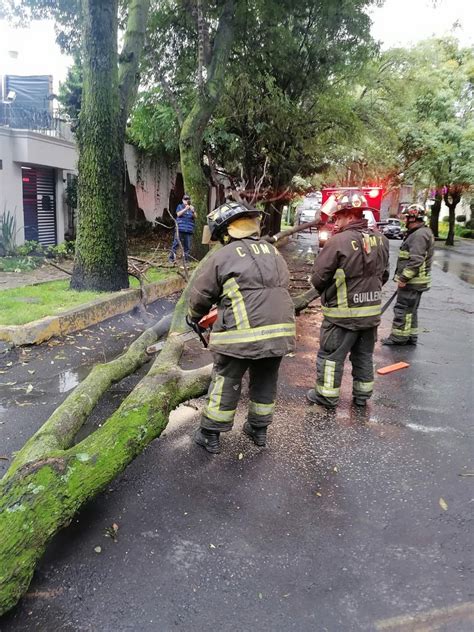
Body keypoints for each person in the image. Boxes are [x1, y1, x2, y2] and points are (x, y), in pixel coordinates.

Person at [188, 201, 296, 454]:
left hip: (241, 335)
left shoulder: (223, 255)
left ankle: (210, 434)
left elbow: (202, 294)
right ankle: (259, 430)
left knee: (227, 378)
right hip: (280, 332)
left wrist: (194, 316)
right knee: (266, 378)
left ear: (226, 231)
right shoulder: (273, 251)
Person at [307, 190, 390, 410]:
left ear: (350, 215)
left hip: (342, 316)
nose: (336, 222)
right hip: (370, 314)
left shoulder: (338, 241)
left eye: (338, 217)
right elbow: (385, 275)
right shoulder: (381, 240)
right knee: (363, 356)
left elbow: (318, 277)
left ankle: (326, 397)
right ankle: (362, 397)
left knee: (331, 357)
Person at [382, 204, 434, 346]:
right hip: (417, 282)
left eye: (407, 217)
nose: (405, 219)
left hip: (412, 282)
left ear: (413, 217)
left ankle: (398, 337)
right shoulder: (422, 232)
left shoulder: (419, 235)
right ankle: (411, 336)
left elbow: (416, 260)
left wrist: (404, 278)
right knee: (411, 311)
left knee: (402, 309)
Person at [169, 194, 196, 263]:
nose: (186, 201)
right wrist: (185, 209)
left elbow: (195, 216)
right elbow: (178, 214)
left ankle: (186, 260)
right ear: (182, 200)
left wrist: (192, 211)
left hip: (189, 230)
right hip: (180, 229)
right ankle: (171, 258)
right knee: (175, 244)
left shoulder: (192, 207)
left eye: (188, 199)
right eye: (185, 199)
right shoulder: (180, 206)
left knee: (187, 246)